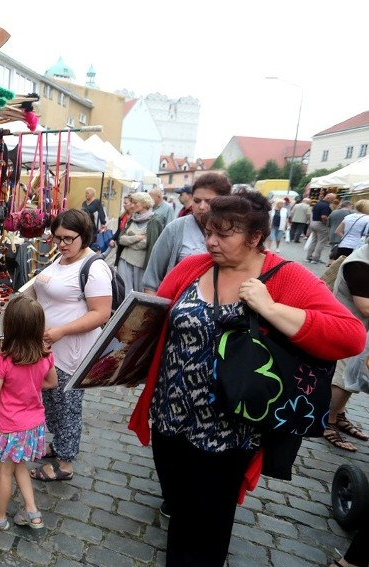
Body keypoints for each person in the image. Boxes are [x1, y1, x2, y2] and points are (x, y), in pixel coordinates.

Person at [128, 190, 365, 566]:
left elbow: (350, 335)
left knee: (209, 522)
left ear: (254, 237)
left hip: (229, 430)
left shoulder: (285, 276)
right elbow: (155, 319)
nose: (210, 242)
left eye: (223, 234)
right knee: (179, 508)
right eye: (208, 231)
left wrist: (271, 308)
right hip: (170, 419)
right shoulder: (196, 267)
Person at [22, 208, 112, 481]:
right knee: (53, 401)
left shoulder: (94, 267)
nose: (61, 243)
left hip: (72, 352)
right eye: (57, 237)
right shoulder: (63, 259)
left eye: (67, 238)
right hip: (50, 348)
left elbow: (101, 314)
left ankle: (64, 463)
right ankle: (59, 445)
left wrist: (61, 330)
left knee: (68, 405)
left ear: (84, 236)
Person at [0, 295, 58, 530]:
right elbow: (52, 382)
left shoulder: (4, 359)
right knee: (19, 465)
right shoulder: (45, 354)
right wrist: (29, 385)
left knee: (4, 471)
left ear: (9, 325)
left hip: (10, 426)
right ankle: (33, 513)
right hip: (33, 425)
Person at [142, 172, 233, 294]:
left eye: (209, 202)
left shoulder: (236, 232)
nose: (201, 207)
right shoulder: (176, 229)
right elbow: (151, 282)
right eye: (196, 201)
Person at [325, 243, 369, 451]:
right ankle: (327, 422)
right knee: (342, 380)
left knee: (352, 378)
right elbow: (365, 307)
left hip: (361, 331)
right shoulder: (359, 263)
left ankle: (339, 415)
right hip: (347, 328)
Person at [118, 191, 157, 293]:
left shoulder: (154, 221)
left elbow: (146, 244)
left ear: (144, 204)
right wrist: (137, 238)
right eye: (132, 202)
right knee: (124, 290)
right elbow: (121, 239)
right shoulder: (132, 218)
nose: (132, 205)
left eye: (135, 203)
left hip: (140, 263)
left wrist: (130, 239)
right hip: (125, 259)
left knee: (139, 292)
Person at [307, 192, 337, 264]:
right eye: (332, 200)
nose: (332, 201)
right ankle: (316, 258)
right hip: (321, 224)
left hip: (313, 222)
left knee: (313, 241)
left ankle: (309, 257)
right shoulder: (326, 206)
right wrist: (326, 223)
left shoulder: (318, 203)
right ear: (328, 198)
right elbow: (323, 216)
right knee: (321, 242)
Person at [108, 195, 134, 267]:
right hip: (120, 244)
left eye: (126, 203)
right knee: (118, 264)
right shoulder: (122, 216)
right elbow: (119, 230)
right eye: (123, 203)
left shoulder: (135, 217)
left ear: (132, 204)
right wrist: (113, 239)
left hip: (129, 245)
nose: (123, 205)